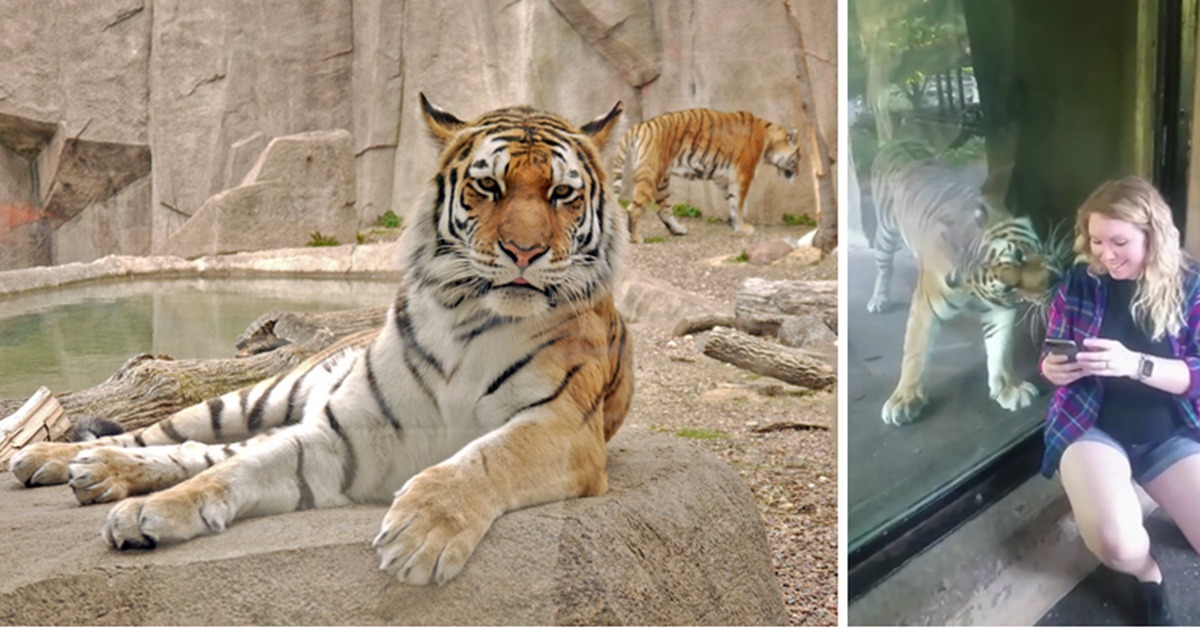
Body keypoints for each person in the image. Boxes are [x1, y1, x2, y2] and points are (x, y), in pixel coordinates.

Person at [1041, 176, 1200, 626]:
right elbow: (1053, 349)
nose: (1105, 254)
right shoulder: (1078, 282)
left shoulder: (1192, 287)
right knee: (1120, 544)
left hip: (1170, 431)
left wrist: (1134, 364)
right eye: (1095, 241)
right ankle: (1147, 575)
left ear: (1153, 235)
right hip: (1091, 425)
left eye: (1119, 242)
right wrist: (1050, 368)